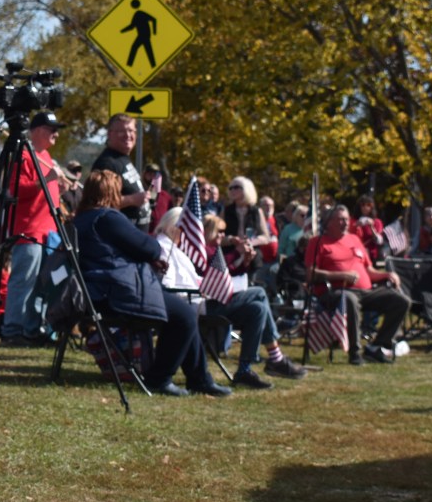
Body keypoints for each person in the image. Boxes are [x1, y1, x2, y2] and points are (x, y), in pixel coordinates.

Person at [72, 171, 232, 397]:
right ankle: (160, 378)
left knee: (183, 312)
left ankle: (200, 379)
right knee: (184, 315)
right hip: (116, 293)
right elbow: (151, 247)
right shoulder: (107, 217)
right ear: (112, 192)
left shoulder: (80, 220)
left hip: (95, 293)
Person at [154, 208, 306, 387]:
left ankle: (244, 370)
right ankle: (275, 357)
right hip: (195, 305)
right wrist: (206, 287)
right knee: (259, 293)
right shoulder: (165, 247)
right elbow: (168, 286)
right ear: (174, 226)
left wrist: (211, 283)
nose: (191, 233)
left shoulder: (177, 248)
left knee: (257, 309)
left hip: (204, 299)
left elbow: (195, 278)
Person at [306, 205, 411, 365]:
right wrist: (341, 276)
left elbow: (369, 270)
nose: (345, 223)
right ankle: (355, 352)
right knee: (349, 299)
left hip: (365, 291)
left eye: (347, 219)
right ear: (328, 223)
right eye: (340, 219)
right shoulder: (317, 242)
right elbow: (310, 274)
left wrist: (387, 274)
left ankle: (376, 347)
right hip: (335, 292)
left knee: (401, 301)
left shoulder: (354, 239)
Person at [0, 111, 65, 346]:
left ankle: (31, 329)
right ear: (37, 130)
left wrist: (59, 186)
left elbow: (46, 193)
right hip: (28, 231)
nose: (56, 133)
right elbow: (16, 190)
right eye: (51, 129)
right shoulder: (24, 154)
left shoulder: (44, 155)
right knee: (23, 281)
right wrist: (47, 179)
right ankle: (12, 330)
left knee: (41, 285)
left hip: (48, 232)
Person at [92, 114, 151, 230]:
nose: (128, 135)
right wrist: (133, 199)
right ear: (110, 134)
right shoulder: (107, 164)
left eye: (131, 130)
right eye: (121, 131)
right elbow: (99, 203)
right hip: (118, 240)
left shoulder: (123, 158)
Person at [349, 194, 385, 265]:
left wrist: (371, 227)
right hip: (356, 254)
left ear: (372, 207)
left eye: (368, 205)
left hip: (371, 256)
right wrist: (356, 225)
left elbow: (379, 241)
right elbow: (348, 237)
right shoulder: (352, 221)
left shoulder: (377, 222)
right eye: (363, 205)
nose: (365, 207)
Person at [143, 163, 172, 233]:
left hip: (159, 237)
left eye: (155, 175)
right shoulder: (138, 193)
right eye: (149, 174)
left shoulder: (166, 197)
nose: (152, 178)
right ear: (144, 176)